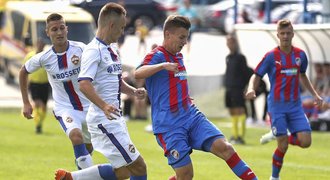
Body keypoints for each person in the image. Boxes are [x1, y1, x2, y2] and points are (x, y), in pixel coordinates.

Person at [135, 15, 257, 180]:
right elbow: (138, 73)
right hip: (169, 125)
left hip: (191, 116)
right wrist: (162, 66)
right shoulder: (157, 55)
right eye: (182, 37)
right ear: (167, 34)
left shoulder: (178, 56)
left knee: (226, 148)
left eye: (186, 37)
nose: (185, 41)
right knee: (185, 175)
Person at [55, 3, 147, 180]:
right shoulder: (93, 51)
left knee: (123, 172)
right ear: (111, 26)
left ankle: (71, 178)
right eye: (121, 27)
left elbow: (115, 80)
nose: (122, 32)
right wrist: (104, 106)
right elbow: (84, 84)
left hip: (114, 119)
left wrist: (133, 91)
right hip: (104, 121)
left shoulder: (112, 49)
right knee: (139, 166)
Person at [245, 19, 323, 180]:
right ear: (278, 35)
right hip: (277, 106)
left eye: (288, 33)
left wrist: (315, 94)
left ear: (293, 34)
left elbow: (302, 75)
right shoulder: (271, 56)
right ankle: (274, 177)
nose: (285, 36)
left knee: (306, 141)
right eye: (282, 33)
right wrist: (252, 88)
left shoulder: (300, 55)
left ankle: (278, 134)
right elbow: (257, 75)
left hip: (295, 106)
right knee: (283, 145)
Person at [19, 13, 94, 170]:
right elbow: (23, 71)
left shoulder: (81, 49)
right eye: (54, 29)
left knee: (88, 150)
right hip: (65, 107)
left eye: (61, 28)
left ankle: (81, 172)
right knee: (75, 136)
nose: (59, 32)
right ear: (48, 32)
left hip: (88, 107)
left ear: (66, 29)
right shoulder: (44, 57)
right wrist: (26, 102)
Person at [224, 34, 250, 144]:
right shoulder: (228, 57)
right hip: (229, 88)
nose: (230, 44)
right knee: (232, 111)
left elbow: (246, 73)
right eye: (228, 42)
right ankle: (234, 135)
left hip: (238, 88)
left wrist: (246, 88)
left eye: (232, 42)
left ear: (235, 43)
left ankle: (240, 136)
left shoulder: (241, 58)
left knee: (240, 110)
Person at [23, 38, 49, 134]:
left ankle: (39, 123)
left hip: (45, 84)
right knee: (38, 103)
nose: (40, 45)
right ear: (36, 44)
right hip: (34, 84)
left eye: (42, 44)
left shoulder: (47, 56)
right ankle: (37, 123)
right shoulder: (30, 56)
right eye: (38, 43)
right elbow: (24, 70)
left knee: (44, 107)